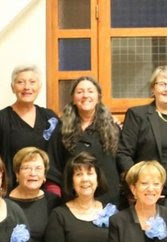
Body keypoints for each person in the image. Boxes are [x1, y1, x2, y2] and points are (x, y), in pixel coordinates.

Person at [117, 65, 167, 197]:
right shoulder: (138, 115)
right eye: (161, 84)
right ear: (153, 89)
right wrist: (139, 184)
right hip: (148, 193)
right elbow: (124, 154)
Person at [47, 76, 121, 205]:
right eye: (80, 92)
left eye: (90, 91)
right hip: (73, 201)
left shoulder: (113, 128)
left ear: (98, 97)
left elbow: (121, 162)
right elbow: (53, 167)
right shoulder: (61, 129)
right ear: (73, 99)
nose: (85, 95)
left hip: (109, 202)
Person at [0, 65, 60, 187]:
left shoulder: (49, 118)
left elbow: (58, 155)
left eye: (32, 82)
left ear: (39, 87)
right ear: (13, 87)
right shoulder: (0, 119)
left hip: (46, 189)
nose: (27, 87)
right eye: (20, 82)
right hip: (10, 191)